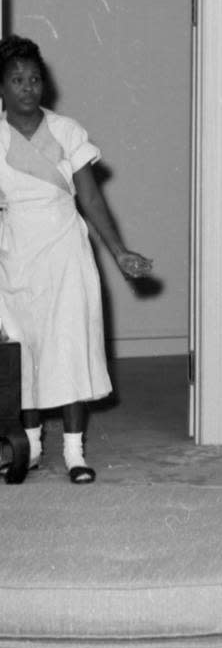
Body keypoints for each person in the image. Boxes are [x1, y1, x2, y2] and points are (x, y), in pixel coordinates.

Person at [0, 35, 153, 482]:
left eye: (34, 78)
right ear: (2, 88)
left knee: (69, 345)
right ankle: (27, 446)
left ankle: (73, 451)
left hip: (66, 248)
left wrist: (120, 252)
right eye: (16, 80)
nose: (28, 87)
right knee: (23, 350)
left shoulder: (67, 130)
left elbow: (89, 196)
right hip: (16, 252)